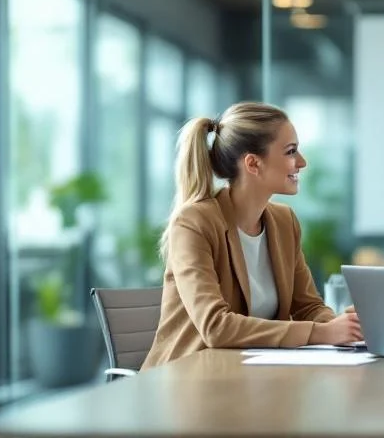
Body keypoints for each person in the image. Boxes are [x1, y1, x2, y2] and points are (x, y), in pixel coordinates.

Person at [142, 102, 361, 369]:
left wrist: (347, 327)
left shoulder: (284, 222)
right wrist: (322, 333)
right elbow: (215, 326)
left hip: (253, 376)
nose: (302, 162)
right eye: (291, 151)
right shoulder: (193, 223)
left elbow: (307, 307)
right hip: (189, 380)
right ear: (253, 163)